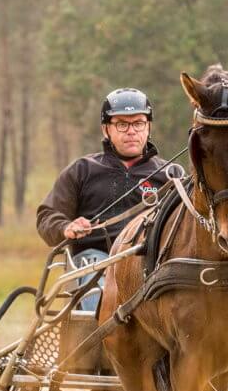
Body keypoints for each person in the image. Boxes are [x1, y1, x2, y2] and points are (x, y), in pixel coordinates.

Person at [36, 88, 169, 312]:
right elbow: (46, 217)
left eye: (138, 123)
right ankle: (100, 339)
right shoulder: (82, 170)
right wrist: (66, 227)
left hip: (151, 264)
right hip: (97, 261)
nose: (131, 131)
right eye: (122, 124)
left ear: (148, 127)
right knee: (96, 279)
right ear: (106, 129)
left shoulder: (169, 175)